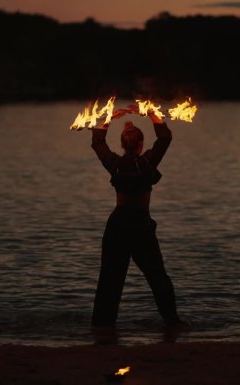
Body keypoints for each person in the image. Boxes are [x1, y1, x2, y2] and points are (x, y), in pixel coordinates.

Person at [90, 106, 181, 327]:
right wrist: (151, 112)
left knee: (110, 278)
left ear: (122, 144)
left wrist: (108, 118)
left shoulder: (116, 164)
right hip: (140, 225)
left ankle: (102, 325)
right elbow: (165, 138)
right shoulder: (147, 162)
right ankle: (172, 322)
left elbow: (98, 143)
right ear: (140, 145)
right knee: (157, 276)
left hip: (118, 225)